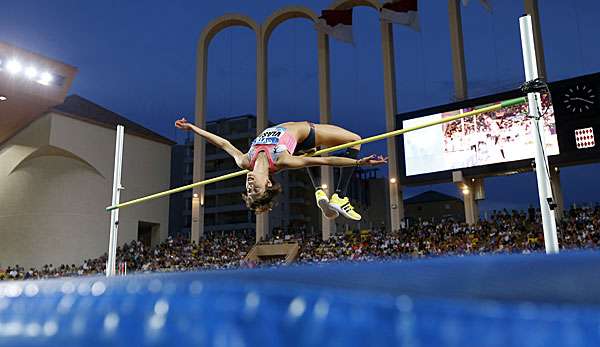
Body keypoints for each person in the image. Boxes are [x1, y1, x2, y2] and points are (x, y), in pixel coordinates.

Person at [175, 118, 386, 220]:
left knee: (307, 154)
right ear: (267, 183)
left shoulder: (244, 161)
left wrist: (192, 128)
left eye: (249, 190)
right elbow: (326, 162)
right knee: (355, 140)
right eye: (255, 189)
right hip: (309, 133)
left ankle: (319, 192)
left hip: (302, 146)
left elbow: (222, 143)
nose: (249, 186)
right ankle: (340, 196)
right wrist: (359, 163)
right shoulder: (283, 160)